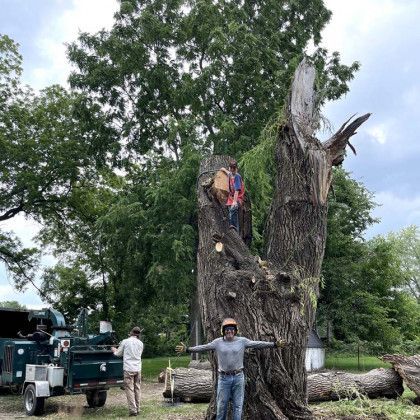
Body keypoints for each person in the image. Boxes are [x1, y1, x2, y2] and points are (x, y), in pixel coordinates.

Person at [175, 318, 286, 420]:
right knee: (221, 406)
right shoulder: (217, 342)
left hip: (238, 377)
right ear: (223, 331)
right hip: (224, 379)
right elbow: (203, 347)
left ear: (235, 330)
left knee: (238, 406)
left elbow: (258, 344)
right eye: (227, 329)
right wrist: (187, 349)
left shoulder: (242, 341)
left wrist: (275, 344)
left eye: (232, 329)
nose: (229, 331)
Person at [112, 326, 144, 417]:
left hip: (129, 368)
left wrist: (114, 350)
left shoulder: (125, 341)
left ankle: (133, 410)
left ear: (131, 333)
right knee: (137, 389)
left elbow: (118, 354)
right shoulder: (141, 343)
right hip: (138, 368)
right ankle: (138, 408)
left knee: (130, 389)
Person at [221, 160, 244, 232]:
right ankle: (232, 226)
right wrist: (223, 169)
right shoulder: (230, 174)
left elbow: (237, 190)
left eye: (234, 169)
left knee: (233, 209)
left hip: (237, 197)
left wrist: (234, 202)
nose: (233, 170)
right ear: (229, 168)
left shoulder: (237, 176)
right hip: (231, 197)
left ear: (236, 168)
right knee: (230, 213)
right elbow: (228, 173)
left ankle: (234, 228)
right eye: (231, 168)